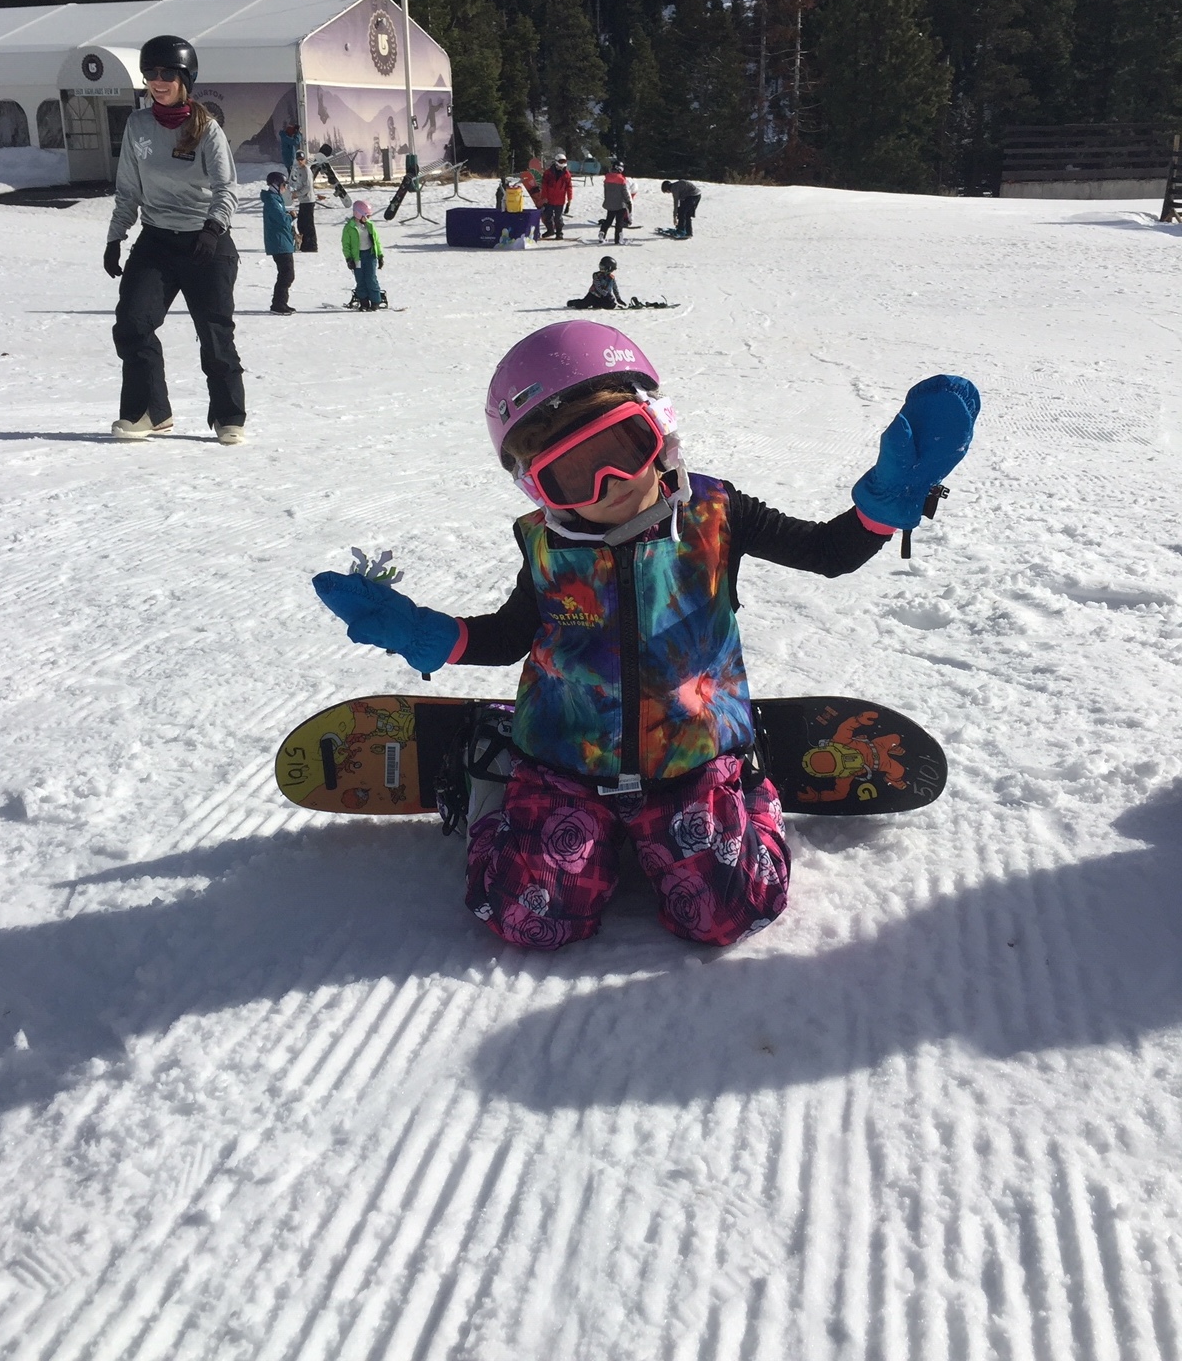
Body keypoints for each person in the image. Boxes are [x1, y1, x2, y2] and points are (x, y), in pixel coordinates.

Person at [312, 321, 980, 949]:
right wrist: (433, 636)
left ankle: (748, 788)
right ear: (535, 486)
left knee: (731, 911)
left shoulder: (717, 513)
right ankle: (495, 769)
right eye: (570, 475)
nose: (607, 486)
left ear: (658, 429)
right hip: (565, 759)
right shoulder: (546, 546)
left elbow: (825, 553)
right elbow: (513, 634)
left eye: (623, 448)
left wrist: (884, 506)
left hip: (687, 757)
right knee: (526, 918)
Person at [105, 33, 246, 445]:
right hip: (157, 241)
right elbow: (129, 189)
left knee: (215, 334)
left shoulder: (207, 129)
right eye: (150, 72)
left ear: (187, 77)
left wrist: (213, 228)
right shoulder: (137, 125)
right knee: (132, 323)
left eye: (168, 73)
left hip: (207, 242)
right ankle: (149, 411)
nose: (158, 80)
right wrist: (115, 237)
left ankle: (228, 416)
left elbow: (227, 188)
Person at [262, 170, 297, 314]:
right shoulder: (272, 200)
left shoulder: (276, 199)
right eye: (283, 185)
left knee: (286, 273)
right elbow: (281, 220)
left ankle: (281, 302)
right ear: (277, 185)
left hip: (283, 241)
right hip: (279, 243)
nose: (285, 188)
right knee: (287, 274)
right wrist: (291, 216)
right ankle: (278, 304)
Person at [342, 199, 386, 311]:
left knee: (371, 278)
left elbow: (377, 241)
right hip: (357, 257)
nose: (368, 219)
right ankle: (364, 302)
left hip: (370, 255)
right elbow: (345, 244)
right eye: (366, 216)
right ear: (358, 214)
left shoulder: (370, 226)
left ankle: (376, 301)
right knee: (360, 280)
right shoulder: (349, 228)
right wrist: (349, 258)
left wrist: (380, 255)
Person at [600, 159, 635, 245]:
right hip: (620, 205)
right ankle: (618, 239)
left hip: (610, 204)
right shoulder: (622, 180)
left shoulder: (607, 178)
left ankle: (602, 233)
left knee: (608, 220)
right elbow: (625, 193)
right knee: (619, 222)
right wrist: (629, 202)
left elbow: (606, 192)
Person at [541, 150, 573, 239]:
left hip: (560, 200)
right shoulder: (548, 173)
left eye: (564, 161)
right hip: (549, 199)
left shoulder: (567, 174)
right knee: (547, 217)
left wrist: (569, 199)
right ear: (556, 162)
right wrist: (544, 197)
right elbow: (544, 186)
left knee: (558, 218)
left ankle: (559, 233)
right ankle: (550, 230)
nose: (562, 164)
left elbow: (569, 187)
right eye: (561, 161)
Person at [290, 151, 318, 253]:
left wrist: (297, 194)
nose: (300, 161)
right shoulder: (298, 169)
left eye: (302, 159)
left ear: (305, 160)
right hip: (303, 201)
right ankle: (304, 244)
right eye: (298, 160)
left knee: (308, 224)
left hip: (308, 201)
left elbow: (307, 187)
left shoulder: (306, 170)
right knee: (301, 223)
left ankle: (311, 246)